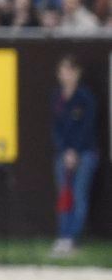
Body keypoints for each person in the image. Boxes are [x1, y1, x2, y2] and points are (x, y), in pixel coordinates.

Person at [52, 53, 99, 255]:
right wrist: (65, 151)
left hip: (85, 154)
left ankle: (73, 238)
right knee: (65, 195)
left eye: (69, 70)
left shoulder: (85, 97)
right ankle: (63, 236)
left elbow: (87, 127)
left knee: (79, 195)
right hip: (63, 155)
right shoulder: (57, 97)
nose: (65, 74)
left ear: (77, 73)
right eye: (62, 70)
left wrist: (75, 151)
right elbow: (56, 128)